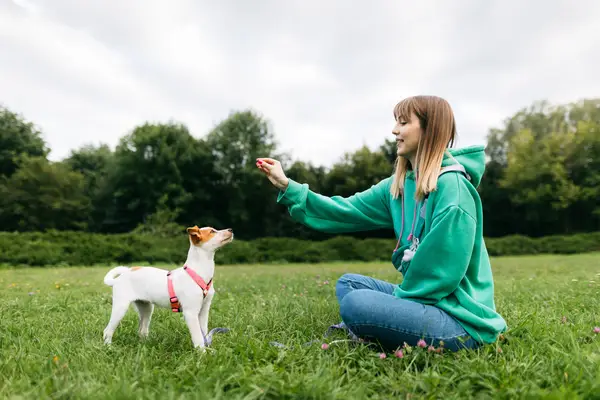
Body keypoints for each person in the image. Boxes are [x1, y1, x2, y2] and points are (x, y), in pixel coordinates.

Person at [256, 95, 507, 352]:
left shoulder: (454, 191)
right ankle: (373, 328)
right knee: (349, 284)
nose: (394, 130)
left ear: (429, 129)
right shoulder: (399, 187)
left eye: (403, 122)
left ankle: (369, 328)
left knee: (357, 305)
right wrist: (289, 186)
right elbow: (345, 210)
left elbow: (440, 274)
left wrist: (392, 304)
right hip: (430, 303)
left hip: (461, 322)